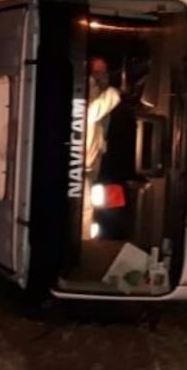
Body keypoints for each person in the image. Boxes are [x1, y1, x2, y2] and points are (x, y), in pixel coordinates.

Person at [82, 56, 120, 240]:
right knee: (85, 207)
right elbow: (89, 115)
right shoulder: (86, 88)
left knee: (88, 203)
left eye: (103, 71)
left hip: (92, 158)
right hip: (80, 161)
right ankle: (83, 244)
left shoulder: (98, 89)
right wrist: (114, 94)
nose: (101, 74)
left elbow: (101, 126)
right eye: (97, 71)